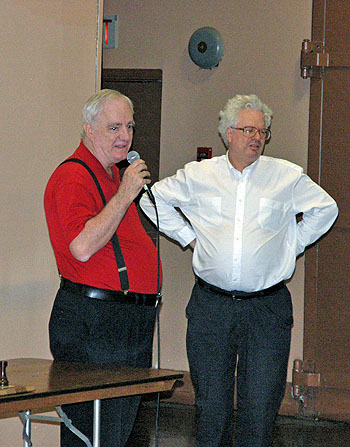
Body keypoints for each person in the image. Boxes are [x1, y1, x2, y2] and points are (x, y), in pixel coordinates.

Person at [140, 94, 338, 447]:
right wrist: (188, 237)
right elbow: (152, 199)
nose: (256, 138)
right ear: (227, 133)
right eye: (248, 130)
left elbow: (326, 209)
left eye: (262, 132)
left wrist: (290, 245)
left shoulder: (285, 176)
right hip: (211, 307)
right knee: (211, 406)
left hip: (267, 309)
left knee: (259, 408)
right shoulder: (200, 175)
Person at [44, 89, 161, 447]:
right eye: (113, 127)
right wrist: (125, 194)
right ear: (88, 130)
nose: (125, 136)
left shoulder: (112, 177)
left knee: (114, 434)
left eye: (129, 126)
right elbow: (80, 246)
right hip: (95, 324)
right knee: (93, 433)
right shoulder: (73, 176)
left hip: (123, 325)